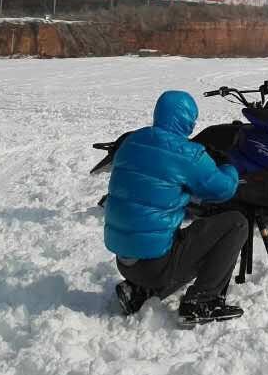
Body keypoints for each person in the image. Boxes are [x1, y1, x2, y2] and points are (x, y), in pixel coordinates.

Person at [103, 90, 248, 324]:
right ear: (188, 120)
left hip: (124, 260)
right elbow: (222, 190)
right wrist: (228, 165)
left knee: (171, 233)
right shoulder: (186, 153)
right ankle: (202, 301)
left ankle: (140, 290)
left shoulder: (132, 141)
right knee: (236, 223)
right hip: (155, 264)